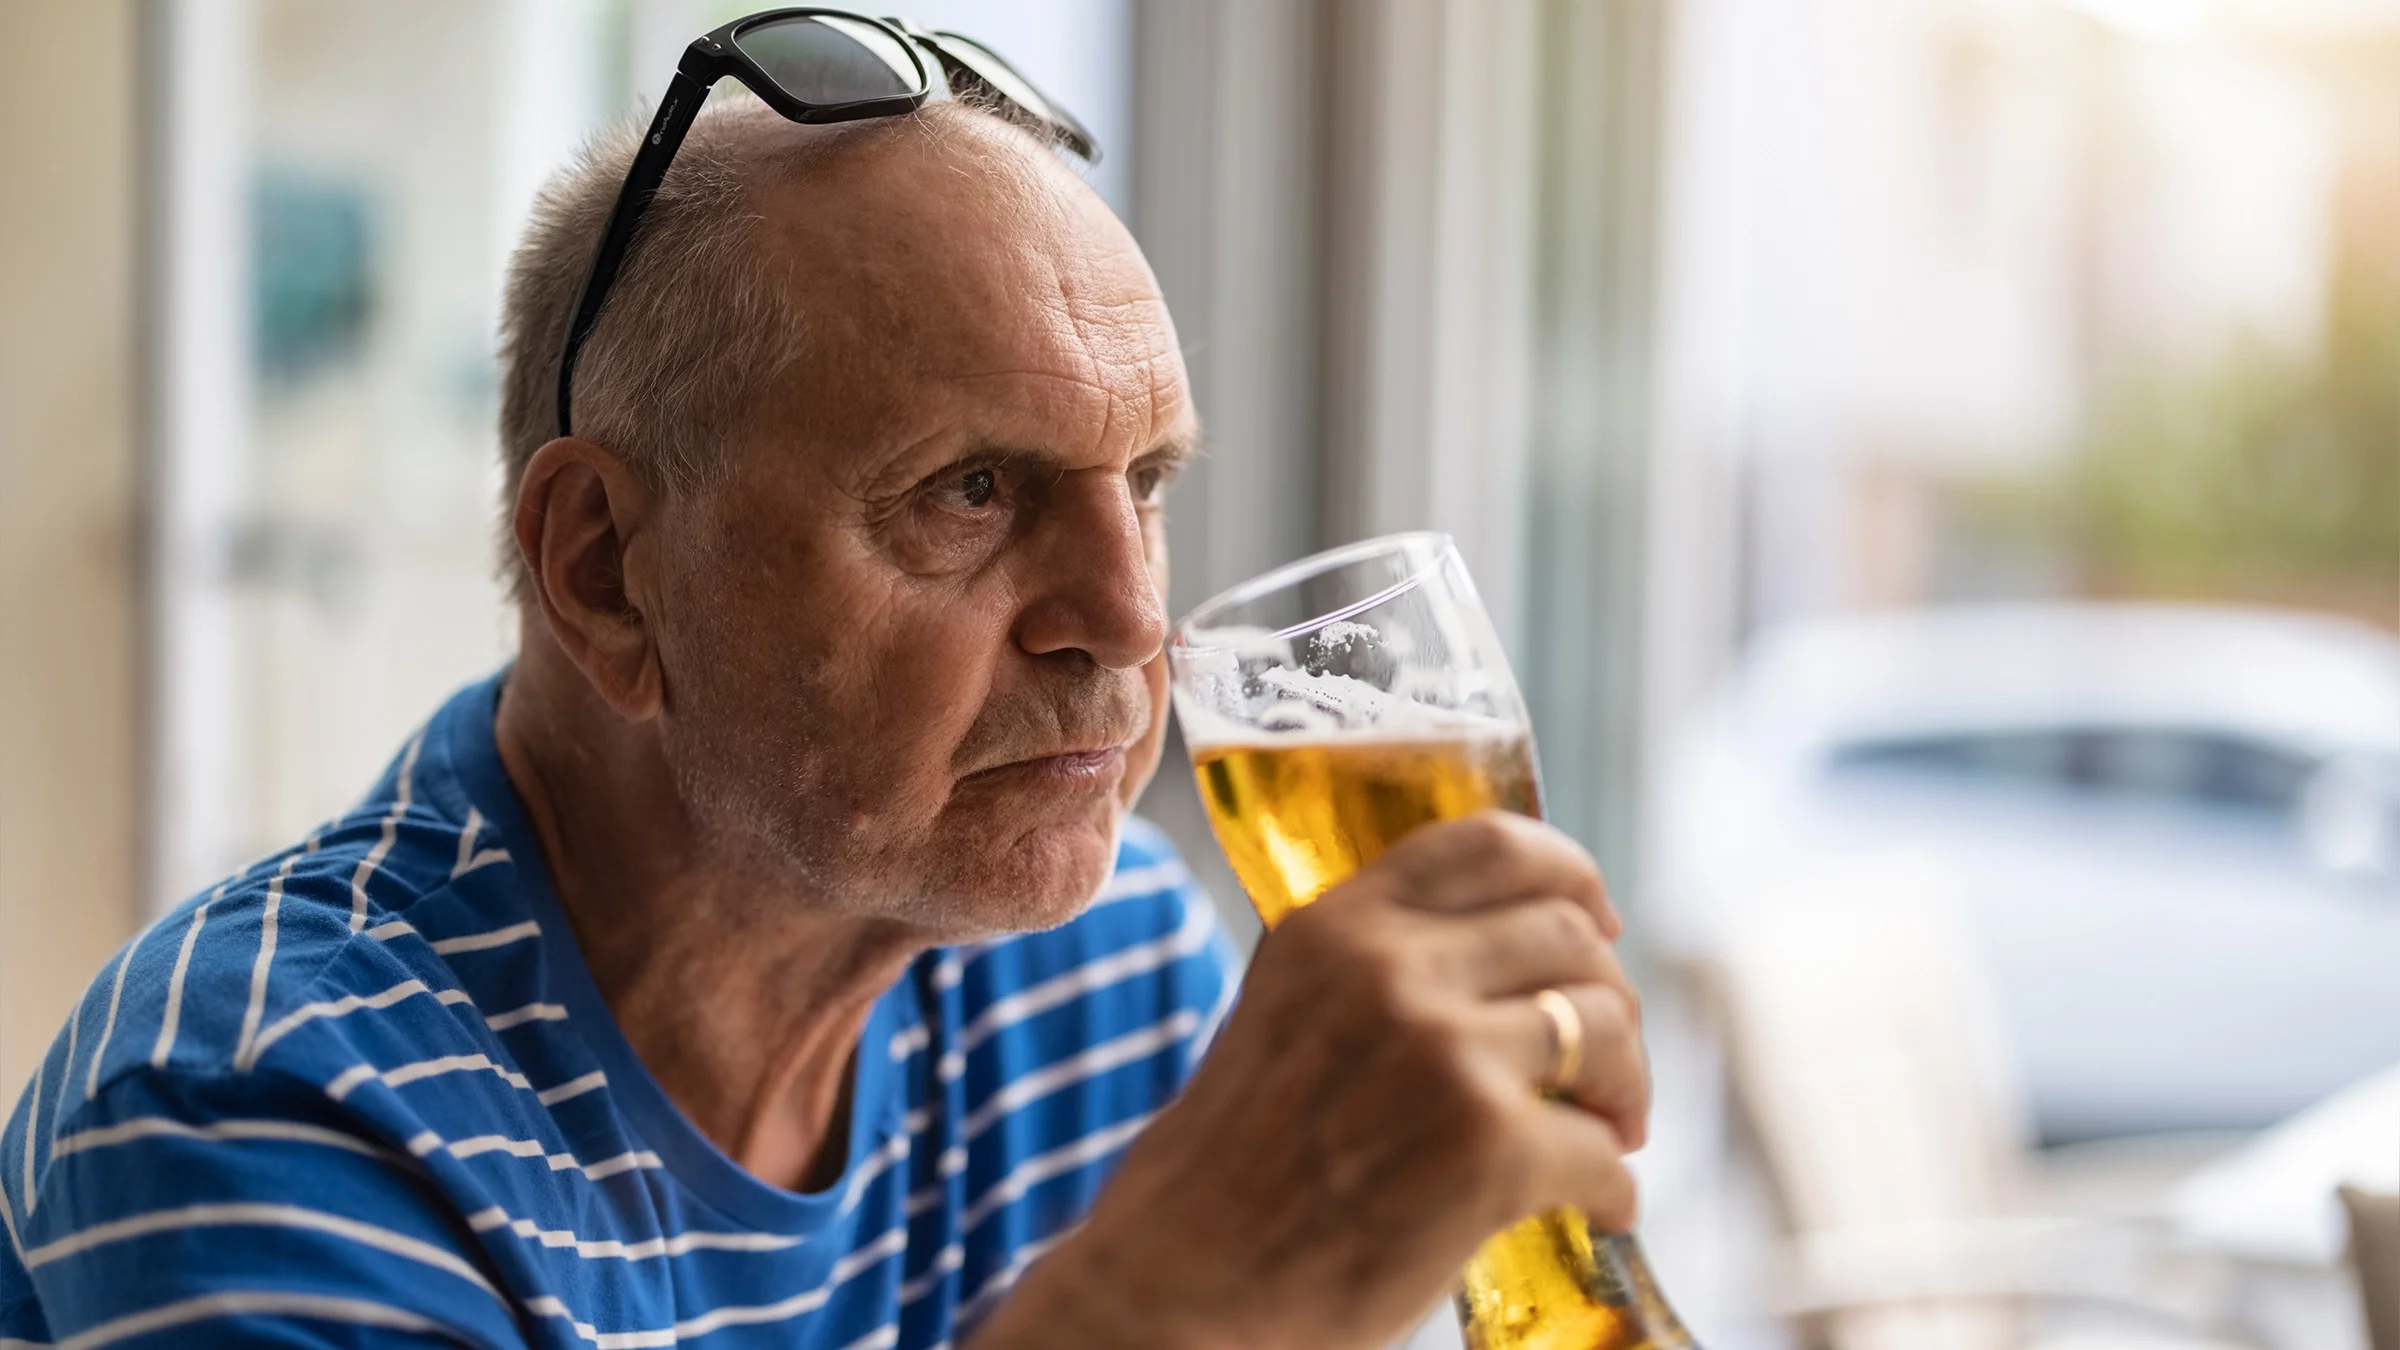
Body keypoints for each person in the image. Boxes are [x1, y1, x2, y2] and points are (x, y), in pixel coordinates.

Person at [0, 48, 1648, 1350]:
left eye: (1145, 483)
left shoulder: (1103, 971)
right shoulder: (267, 1113)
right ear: (605, 571)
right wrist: (1177, 1294)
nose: (1132, 620)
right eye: (973, 490)